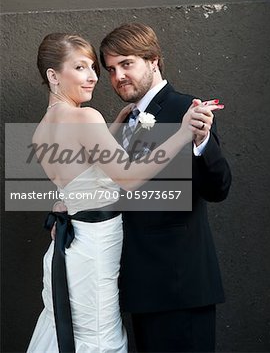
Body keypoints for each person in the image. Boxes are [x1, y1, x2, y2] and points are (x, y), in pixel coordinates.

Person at [26, 33, 207, 353]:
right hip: (94, 249)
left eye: (93, 68)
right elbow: (127, 177)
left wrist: (111, 130)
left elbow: (80, 171)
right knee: (96, 337)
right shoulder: (85, 117)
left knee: (74, 330)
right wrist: (182, 133)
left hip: (70, 248)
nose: (93, 76)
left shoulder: (42, 128)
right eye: (80, 67)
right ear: (53, 75)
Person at [99, 23, 232, 352]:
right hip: (140, 288)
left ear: (153, 60)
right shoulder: (125, 118)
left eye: (126, 64)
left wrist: (201, 143)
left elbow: (218, 189)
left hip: (179, 287)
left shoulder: (185, 109)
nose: (118, 77)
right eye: (111, 70)